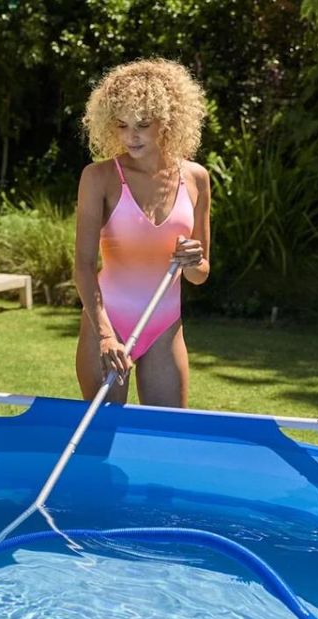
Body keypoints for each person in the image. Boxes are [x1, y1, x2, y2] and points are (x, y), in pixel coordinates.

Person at [74, 58, 211, 407]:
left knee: (168, 440)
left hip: (165, 326)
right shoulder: (99, 177)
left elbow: (199, 275)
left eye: (142, 124)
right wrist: (104, 335)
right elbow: (84, 266)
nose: (130, 136)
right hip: (107, 323)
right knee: (102, 442)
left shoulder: (196, 178)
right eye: (121, 125)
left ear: (167, 122)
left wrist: (192, 261)